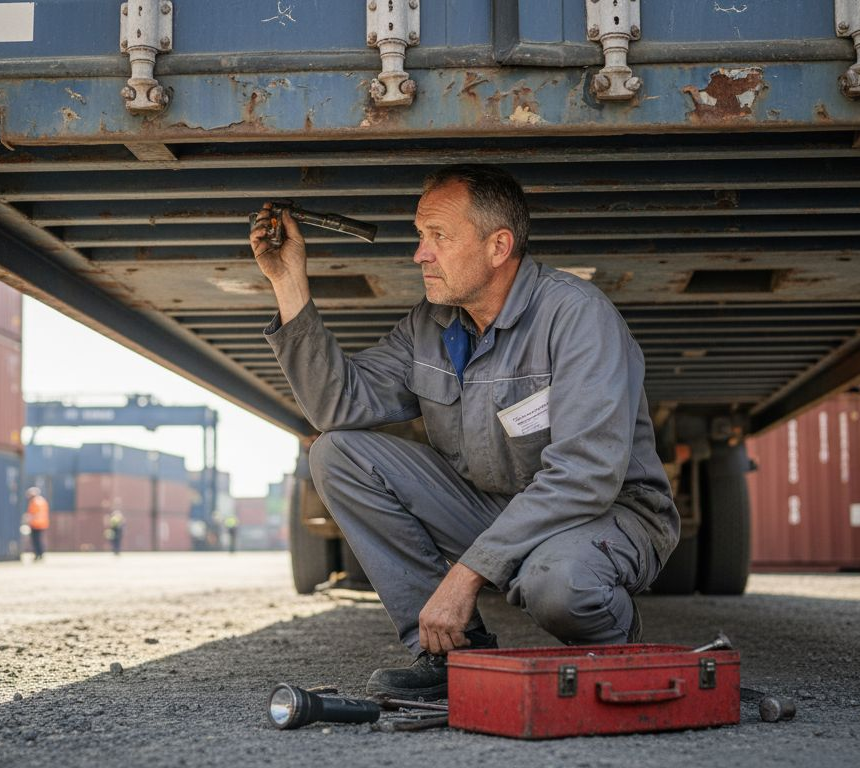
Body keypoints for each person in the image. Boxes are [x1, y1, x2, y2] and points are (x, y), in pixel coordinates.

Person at [249, 164, 679, 701]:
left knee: (558, 584)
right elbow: (337, 406)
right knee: (339, 454)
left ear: (498, 246)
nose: (420, 254)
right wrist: (288, 282)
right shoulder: (430, 325)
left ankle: (617, 650)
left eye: (439, 237)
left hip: (605, 513)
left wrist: (465, 574)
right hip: (497, 506)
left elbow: (585, 475)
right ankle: (451, 653)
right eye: (420, 235)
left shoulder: (576, 316)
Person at [24, 487, 50, 561]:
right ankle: (40, 554)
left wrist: (28, 518)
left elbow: (33, 514)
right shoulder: (42, 501)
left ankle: (37, 554)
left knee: (35, 541)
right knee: (39, 540)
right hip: (43, 524)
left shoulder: (34, 502)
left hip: (35, 524)